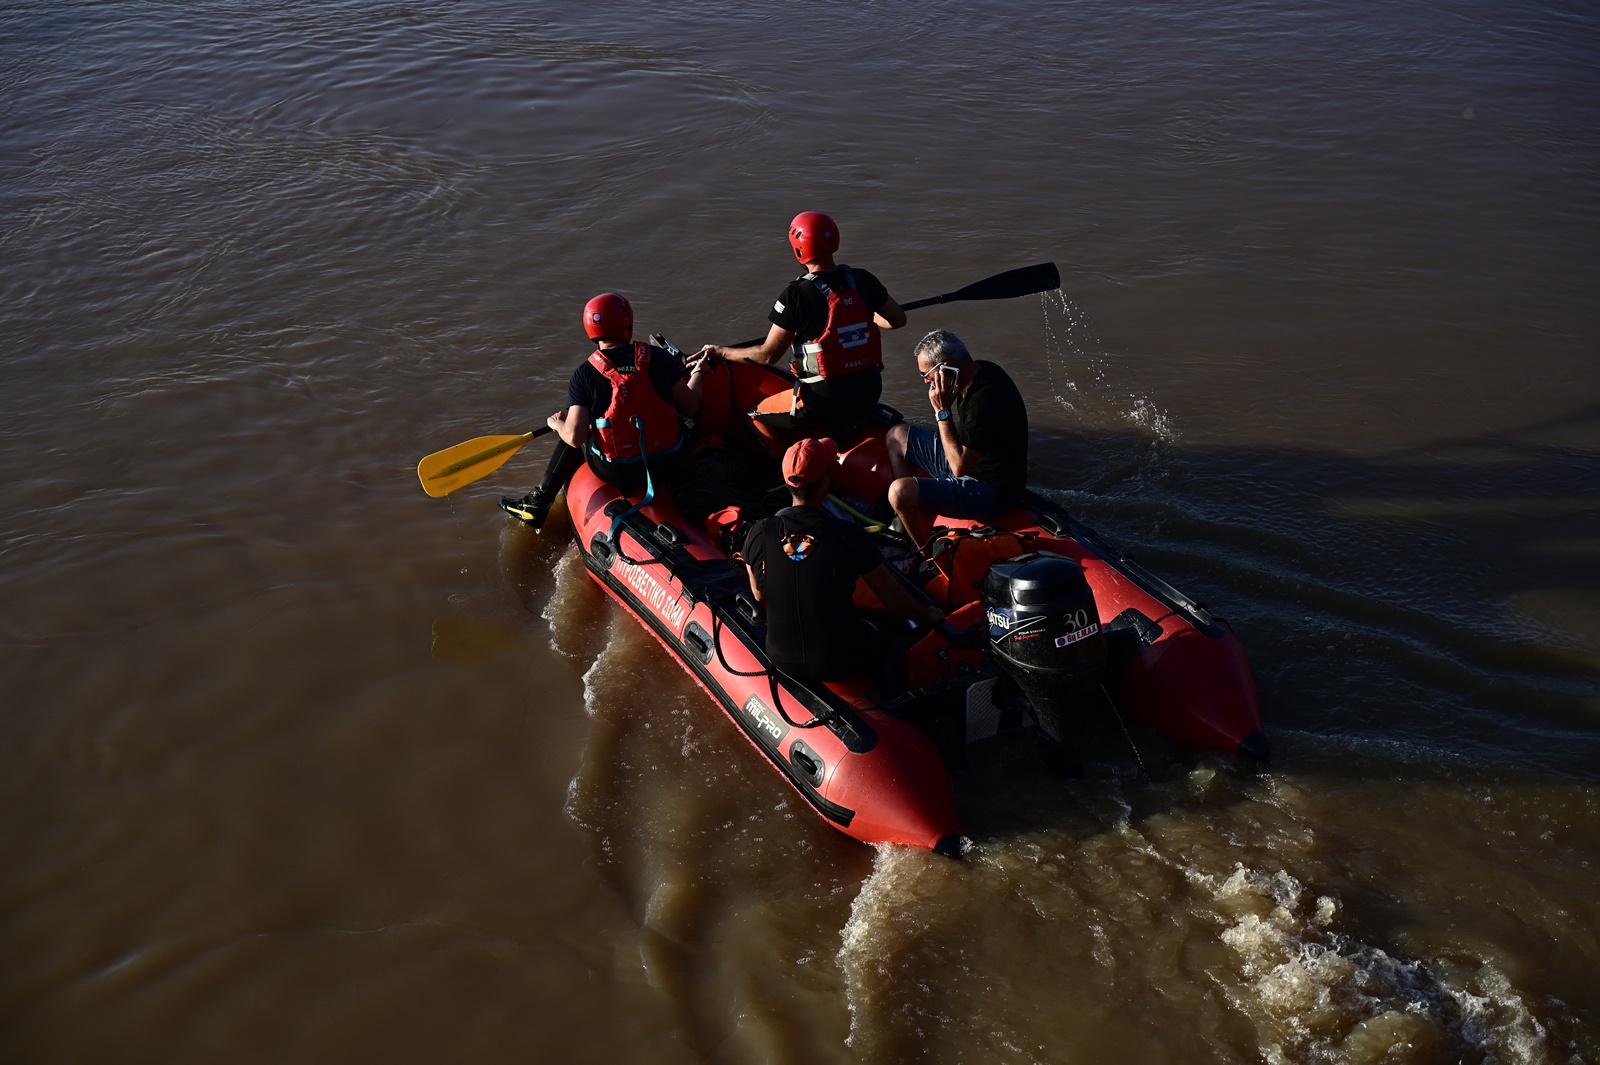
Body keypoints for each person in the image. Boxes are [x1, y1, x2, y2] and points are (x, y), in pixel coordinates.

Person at [741, 437, 944, 685]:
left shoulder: (759, 532)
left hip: (780, 657)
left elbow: (760, 595)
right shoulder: (849, 535)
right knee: (889, 632)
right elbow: (895, 602)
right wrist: (928, 615)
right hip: (838, 660)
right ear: (826, 480)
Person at [690, 211, 907, 437]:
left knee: (752, 416)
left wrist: (721, 352)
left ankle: (781, 470)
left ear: (799, 249)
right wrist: (856, 317)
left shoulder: (796, 294)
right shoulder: (863, 279)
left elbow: (767, 355)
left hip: (825, 399)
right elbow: (898, 320)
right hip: (869, 390)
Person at [501, 292, 707, 528]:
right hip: (671, 462)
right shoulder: (659, 358)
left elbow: (575, 438)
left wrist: (557, 424)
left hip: (618, 473)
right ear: (627, 323)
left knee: (579, 426)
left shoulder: (584, 374)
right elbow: (691, 407)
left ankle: (538, 502)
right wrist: (698, 372)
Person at [885, 329, 1029, 547]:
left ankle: (925, 552)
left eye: (926, 375)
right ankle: (908, 521)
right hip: (970, 462)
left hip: (991, 491)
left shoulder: (985, 399)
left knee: (899, 492)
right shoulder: (980, 371)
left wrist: (942, 411)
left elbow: (958, 467)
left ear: (946, 369)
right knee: (896, 436)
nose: (926, 382)